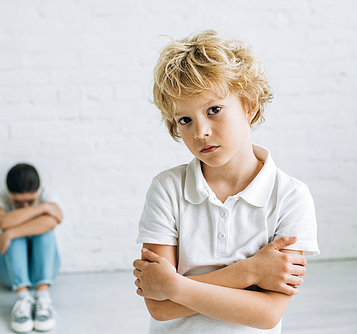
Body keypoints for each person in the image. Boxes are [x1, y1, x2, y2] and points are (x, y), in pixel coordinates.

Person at [133, 30, 319, 333]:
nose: (200, 132)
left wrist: (173, 286)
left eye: (214, 110)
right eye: (185, 120)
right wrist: (251, 271)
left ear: (250, 105)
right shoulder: (167, 189)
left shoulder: (291, 196)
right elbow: (158, 307)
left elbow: (268, 313)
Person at [0, 163, 63, 333]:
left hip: (45, 271)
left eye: (30, 201)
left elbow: (55, 219)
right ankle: (22, 298)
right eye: (18, 202)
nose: (25, 207)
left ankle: (43, 298)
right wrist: (43, 209)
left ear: (39, 185)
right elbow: (2, 222)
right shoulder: (0, 196)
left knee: (45, 231)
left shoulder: (46, 194)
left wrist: (10, 232)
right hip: (9, 273)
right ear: (8, 191)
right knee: (12, 232)